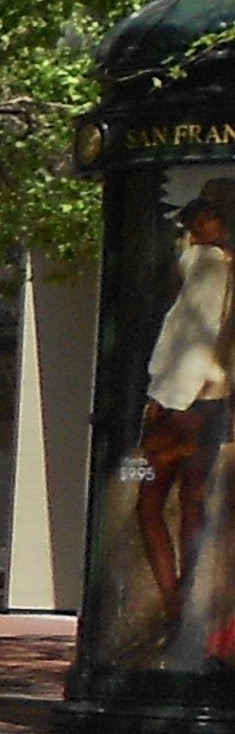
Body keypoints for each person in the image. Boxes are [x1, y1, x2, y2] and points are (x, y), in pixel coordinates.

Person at [136, 189, 235, 621]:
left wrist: (161, 397)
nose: (196, 229)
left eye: (205, 218)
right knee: (192, 500)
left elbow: (188, 338)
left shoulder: (206, 263)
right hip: (214, 402)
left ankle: (175, 602)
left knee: (148, 498)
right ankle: (186, 602)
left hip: (179, 403)